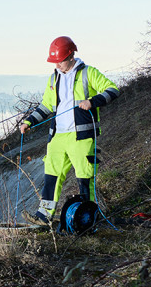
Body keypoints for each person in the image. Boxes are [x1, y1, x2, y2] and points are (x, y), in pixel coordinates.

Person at [18, 36, 119, 226]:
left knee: (84, 176)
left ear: (71, 56)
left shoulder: (89, 73)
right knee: (51, 176)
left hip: (81, 137)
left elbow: (113, 89)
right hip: (57, 136)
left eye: (60, 60)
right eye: (54, 61)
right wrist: (29, 121)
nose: (57, 65)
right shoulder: (53, 78)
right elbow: (46, 105)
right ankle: (43, 216)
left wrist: (92, 101)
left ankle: (87, 218)